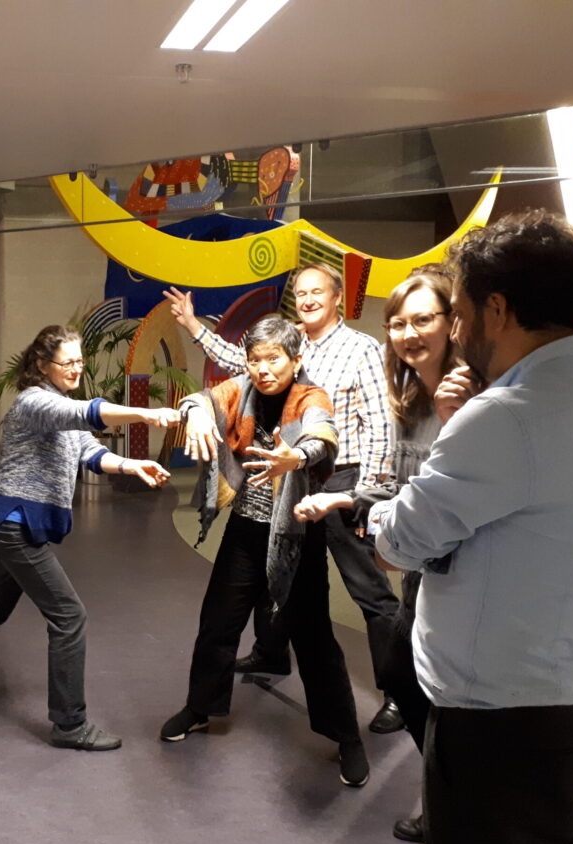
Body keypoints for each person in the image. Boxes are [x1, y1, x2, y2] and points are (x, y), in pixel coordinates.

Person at [371, 211, 573, 844]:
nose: (455, 333)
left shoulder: (502, 416)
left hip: (497, 718)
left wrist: (381, 509)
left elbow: (399, 542)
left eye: (459, 314)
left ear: (496, 311)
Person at [169, 268, 402, 733]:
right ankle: (270, 653)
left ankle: (398, 694)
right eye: (301, 293)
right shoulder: (288, 340)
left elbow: (380, 426)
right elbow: (241, 363)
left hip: (340, 479)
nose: (308, 299)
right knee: (259, 572)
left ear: (337, 298)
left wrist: (369, 500)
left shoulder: (361, 349)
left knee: (368, 591)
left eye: (318, 292)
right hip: (277, 483)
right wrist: (194, 328)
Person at [0, 325, 177, 750]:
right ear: (42, 365)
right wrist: (145, 415)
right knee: (69, 616)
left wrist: (132, 465)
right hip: (15, 525)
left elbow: (89, 450)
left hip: (19, 523)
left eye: (80, 361)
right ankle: (69, 724)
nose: (76, 369)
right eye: (67, 362)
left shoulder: (58, 402)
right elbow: (86, 414)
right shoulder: (35, 402)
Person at [160, 315, 370, 787]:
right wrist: (197, 413)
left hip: (296, 531)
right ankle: (199, 708)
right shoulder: (241, 390)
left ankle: (347, 738)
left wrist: (298, 455)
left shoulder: (310, 396)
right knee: (218, 622)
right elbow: (202, 398)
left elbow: (322, 433)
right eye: (255, 360)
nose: (263, 369)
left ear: (295, 359)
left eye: (273, 358)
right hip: (245, 532)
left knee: (314, 639)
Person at [295, 266, 458, 844]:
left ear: (454, 322)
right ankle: (442, 808)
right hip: (413, 561)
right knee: (411, 678)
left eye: (423, 320)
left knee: (449, 698)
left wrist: (362, 504)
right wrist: (356, 504)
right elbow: (404, 483)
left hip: (459, 578)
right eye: (399, 323)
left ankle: (455, 820)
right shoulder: (412, 398)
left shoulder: (472, 399)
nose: (409, 333)